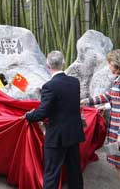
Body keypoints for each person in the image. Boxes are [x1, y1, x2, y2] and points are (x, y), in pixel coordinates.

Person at [25, 51, 85, 189]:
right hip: (74, 133)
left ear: (48, 65)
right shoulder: (74, 82)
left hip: (57, 137)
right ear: (63, 62)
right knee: (75, 172)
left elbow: (43, 112)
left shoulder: (49, 86)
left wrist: (29, 116)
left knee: (52, 173)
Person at [81, 49, 120, 183]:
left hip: (119, 131)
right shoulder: (118, 80)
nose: (109, 66)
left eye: (110, 63)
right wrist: (89, 101)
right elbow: (110, 96)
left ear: (117, 64)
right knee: (118, 165)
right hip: (116, 129)